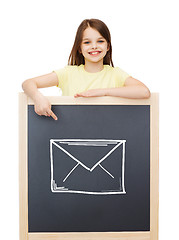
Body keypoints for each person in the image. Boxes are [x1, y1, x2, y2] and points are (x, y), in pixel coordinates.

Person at [22, 19, 150, 121]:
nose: (94, 46)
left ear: (108, 46)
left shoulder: (115, 74)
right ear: (79, 48)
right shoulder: (68, 73)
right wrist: (38, 98)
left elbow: (144, 92)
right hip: (70, 132)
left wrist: (102, 92)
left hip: (107, 132)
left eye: (100, 41)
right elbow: (28, 83)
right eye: (87, 42)